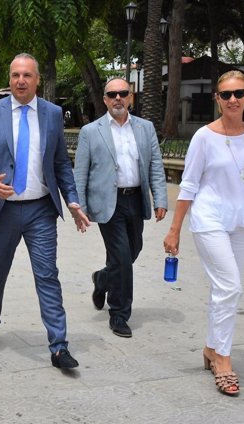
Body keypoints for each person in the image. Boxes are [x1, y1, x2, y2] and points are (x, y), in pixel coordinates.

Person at [163, 70, 244, 396]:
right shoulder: (204, 137)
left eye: (239, 93)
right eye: (226, 94)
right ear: (217, 99)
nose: (233, 99)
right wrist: (174, 230)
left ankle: (210, 348)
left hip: (243, 222)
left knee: (224, 289)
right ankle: (223, 359)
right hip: (209, 220)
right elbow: (188, 186)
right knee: (230, 286)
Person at [0, 53, 89, 369]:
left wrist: (72, 200)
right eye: (15, 75)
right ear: (9, 79)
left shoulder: (52, 113)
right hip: (2, 209)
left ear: (37, 80)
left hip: (40, 210)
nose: (20, 80)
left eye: (27, 75)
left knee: (47, 274)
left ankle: (59, 346)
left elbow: (61, 162)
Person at [73, 77, 168, 339]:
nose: (118, 98)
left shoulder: (145, 128)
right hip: (107, 202)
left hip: (135, 200)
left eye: (123, 93)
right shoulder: (91, 131)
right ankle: (119, 313)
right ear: (104, 99)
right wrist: (78, 207)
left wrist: (160, 198)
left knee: (132, 251)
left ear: (130, 97)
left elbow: (155, 166)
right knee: (122, 257)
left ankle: (102, 279)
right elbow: (80, 173)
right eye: (112, 94)